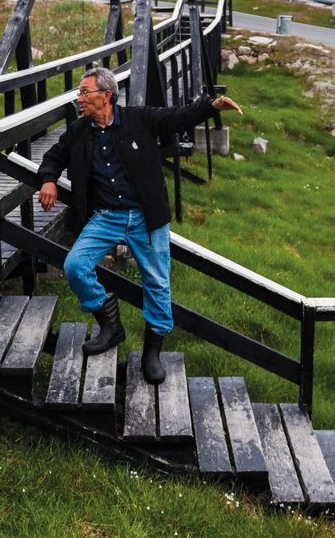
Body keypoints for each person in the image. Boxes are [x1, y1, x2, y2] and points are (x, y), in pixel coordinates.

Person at [38, 67, 242, 384]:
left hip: (146, 218)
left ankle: (152, 354)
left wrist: (210, 106)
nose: (79, 99)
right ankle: (110, 326)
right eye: (79, 93)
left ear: (105, 95)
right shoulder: (79, 131)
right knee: (75, 265)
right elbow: (53, 157)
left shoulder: (139, 119)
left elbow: (177, 117)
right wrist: (49, 180)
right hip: (106, 217)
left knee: (157, 284)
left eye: (84, 92)